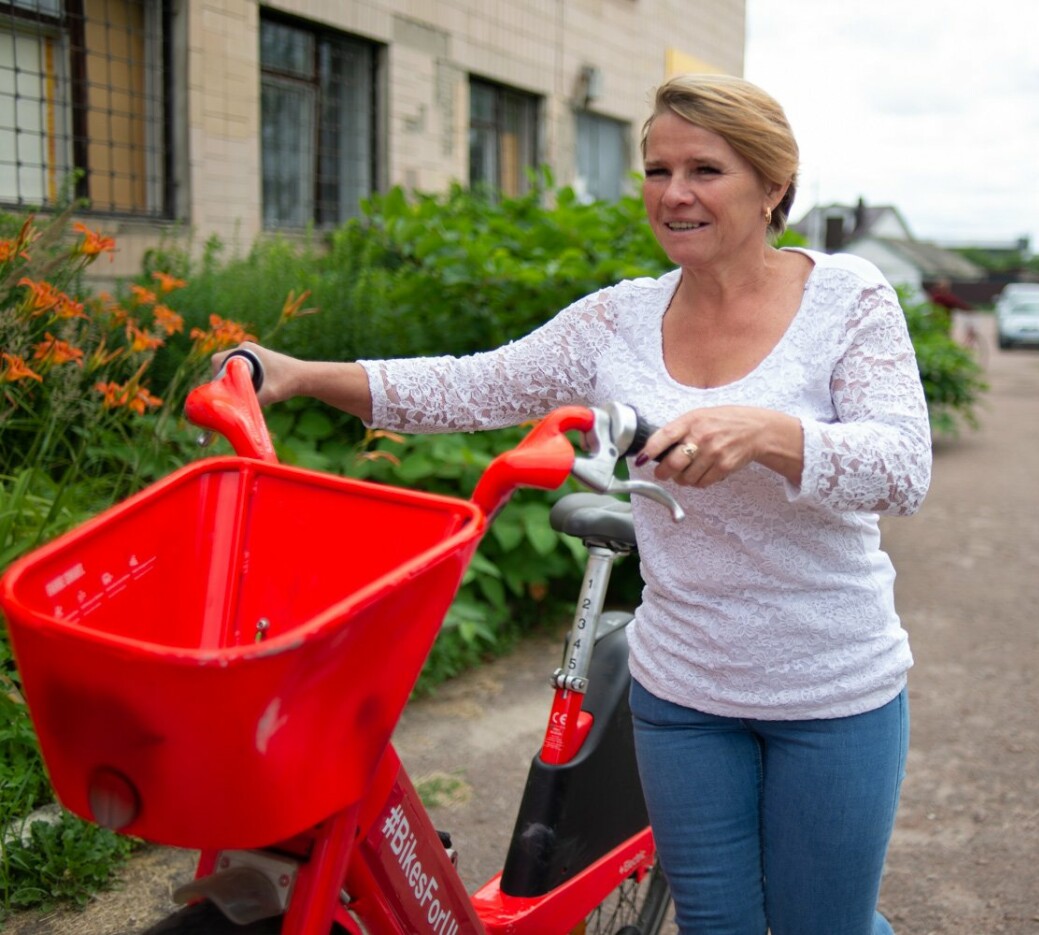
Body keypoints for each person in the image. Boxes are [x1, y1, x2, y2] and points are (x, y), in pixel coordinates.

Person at [218, 73, 931, 934]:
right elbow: (465, 385)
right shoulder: (618, 321)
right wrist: (294, 372)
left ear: (773, 184)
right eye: (656, 169)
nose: (673, 194)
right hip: (685, 689)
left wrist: (768, 435)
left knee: (823, 925)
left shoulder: (848, 300)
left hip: (831, 688)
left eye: (706, 170)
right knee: (719, 925)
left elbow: (903, 467)